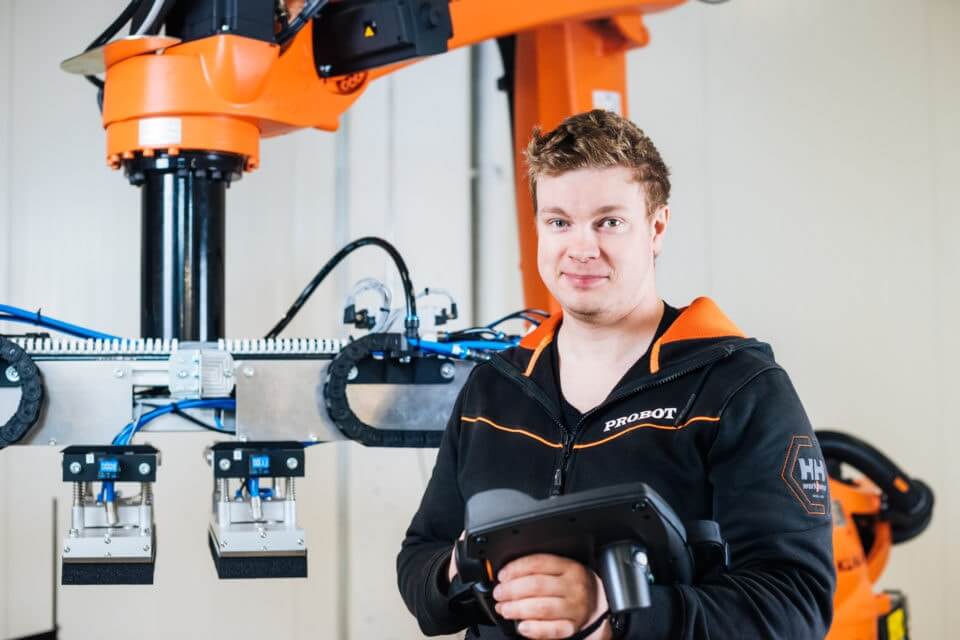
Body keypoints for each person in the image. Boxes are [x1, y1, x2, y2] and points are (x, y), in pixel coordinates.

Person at [397, 109, 835, 639]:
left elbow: (794, 607)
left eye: (609, 221)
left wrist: (612, 615)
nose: (581, 248)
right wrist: (466, 564)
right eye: (559, 222)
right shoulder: (495, 389)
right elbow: (420, 563)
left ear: (656, 227)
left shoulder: (735, 387)